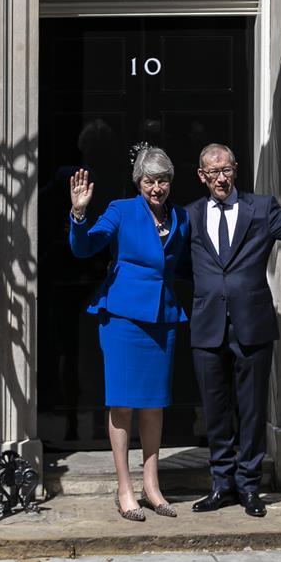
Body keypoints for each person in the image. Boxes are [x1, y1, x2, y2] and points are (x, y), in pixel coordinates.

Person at [186, 143, 281, 517]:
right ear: (202, 176)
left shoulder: (260, 209)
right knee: (215, 411)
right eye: (213, 172)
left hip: (253, 325)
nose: (221, 177)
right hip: (207, 326)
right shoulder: (190, 216)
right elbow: (174, 263)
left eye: (227, 169)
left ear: (236, 170)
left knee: (250, 410)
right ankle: (222, 485)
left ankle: (248, 487)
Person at [69, 146, 189, 521]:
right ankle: (125, 488)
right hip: (122, 318)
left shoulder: (181, 218)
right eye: (151, 180)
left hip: (162, 318)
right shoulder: (121, 210)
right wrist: (78, 213)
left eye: (164, 180)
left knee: (154, 404)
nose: (158, 188)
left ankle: (152, 486)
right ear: (139, 182)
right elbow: (85, 246)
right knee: (122, 404)